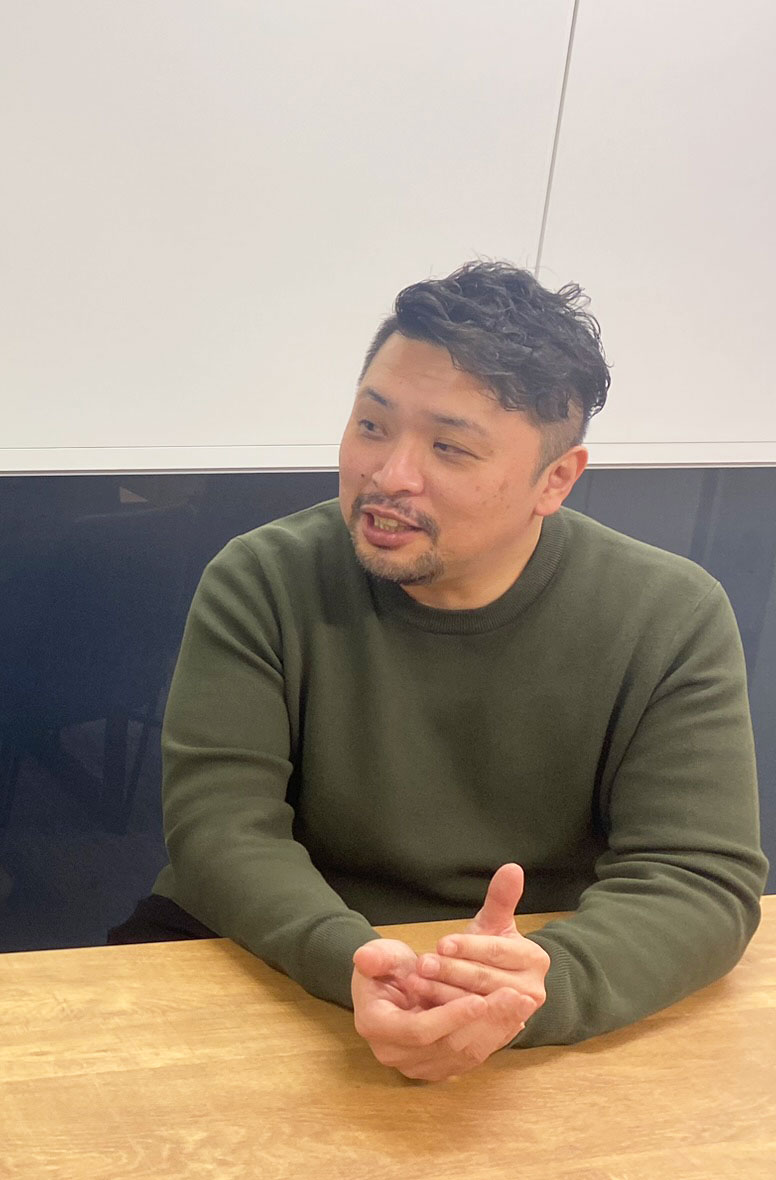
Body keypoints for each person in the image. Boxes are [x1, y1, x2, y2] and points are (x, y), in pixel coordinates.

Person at [112, 262, 767, 1080]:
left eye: (450, 447)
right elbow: (222, 828)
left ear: (555, 480)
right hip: (274, 942)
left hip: (525, 959)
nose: (389, 476)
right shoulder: (263, 578)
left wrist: (536, 991)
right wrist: (359, 961)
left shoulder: (667, 616)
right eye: (372, 425)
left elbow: (698, 876)